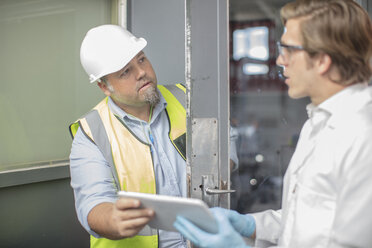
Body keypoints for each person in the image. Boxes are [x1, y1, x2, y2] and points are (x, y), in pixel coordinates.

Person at [174, 0, 372, 247]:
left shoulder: (363, 136)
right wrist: (253, 225)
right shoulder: (316, 124)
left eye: (288, 49)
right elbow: (307, 223)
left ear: (322, 59)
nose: (279, 60)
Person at [69, 24, 238, 248]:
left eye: (141, 59)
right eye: (125, 71)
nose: (142, 72)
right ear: (105, 87)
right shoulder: (91, 133)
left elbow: (228, 136)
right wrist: (112, 219)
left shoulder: (187, 98)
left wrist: (221, 164)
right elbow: (93, 203)